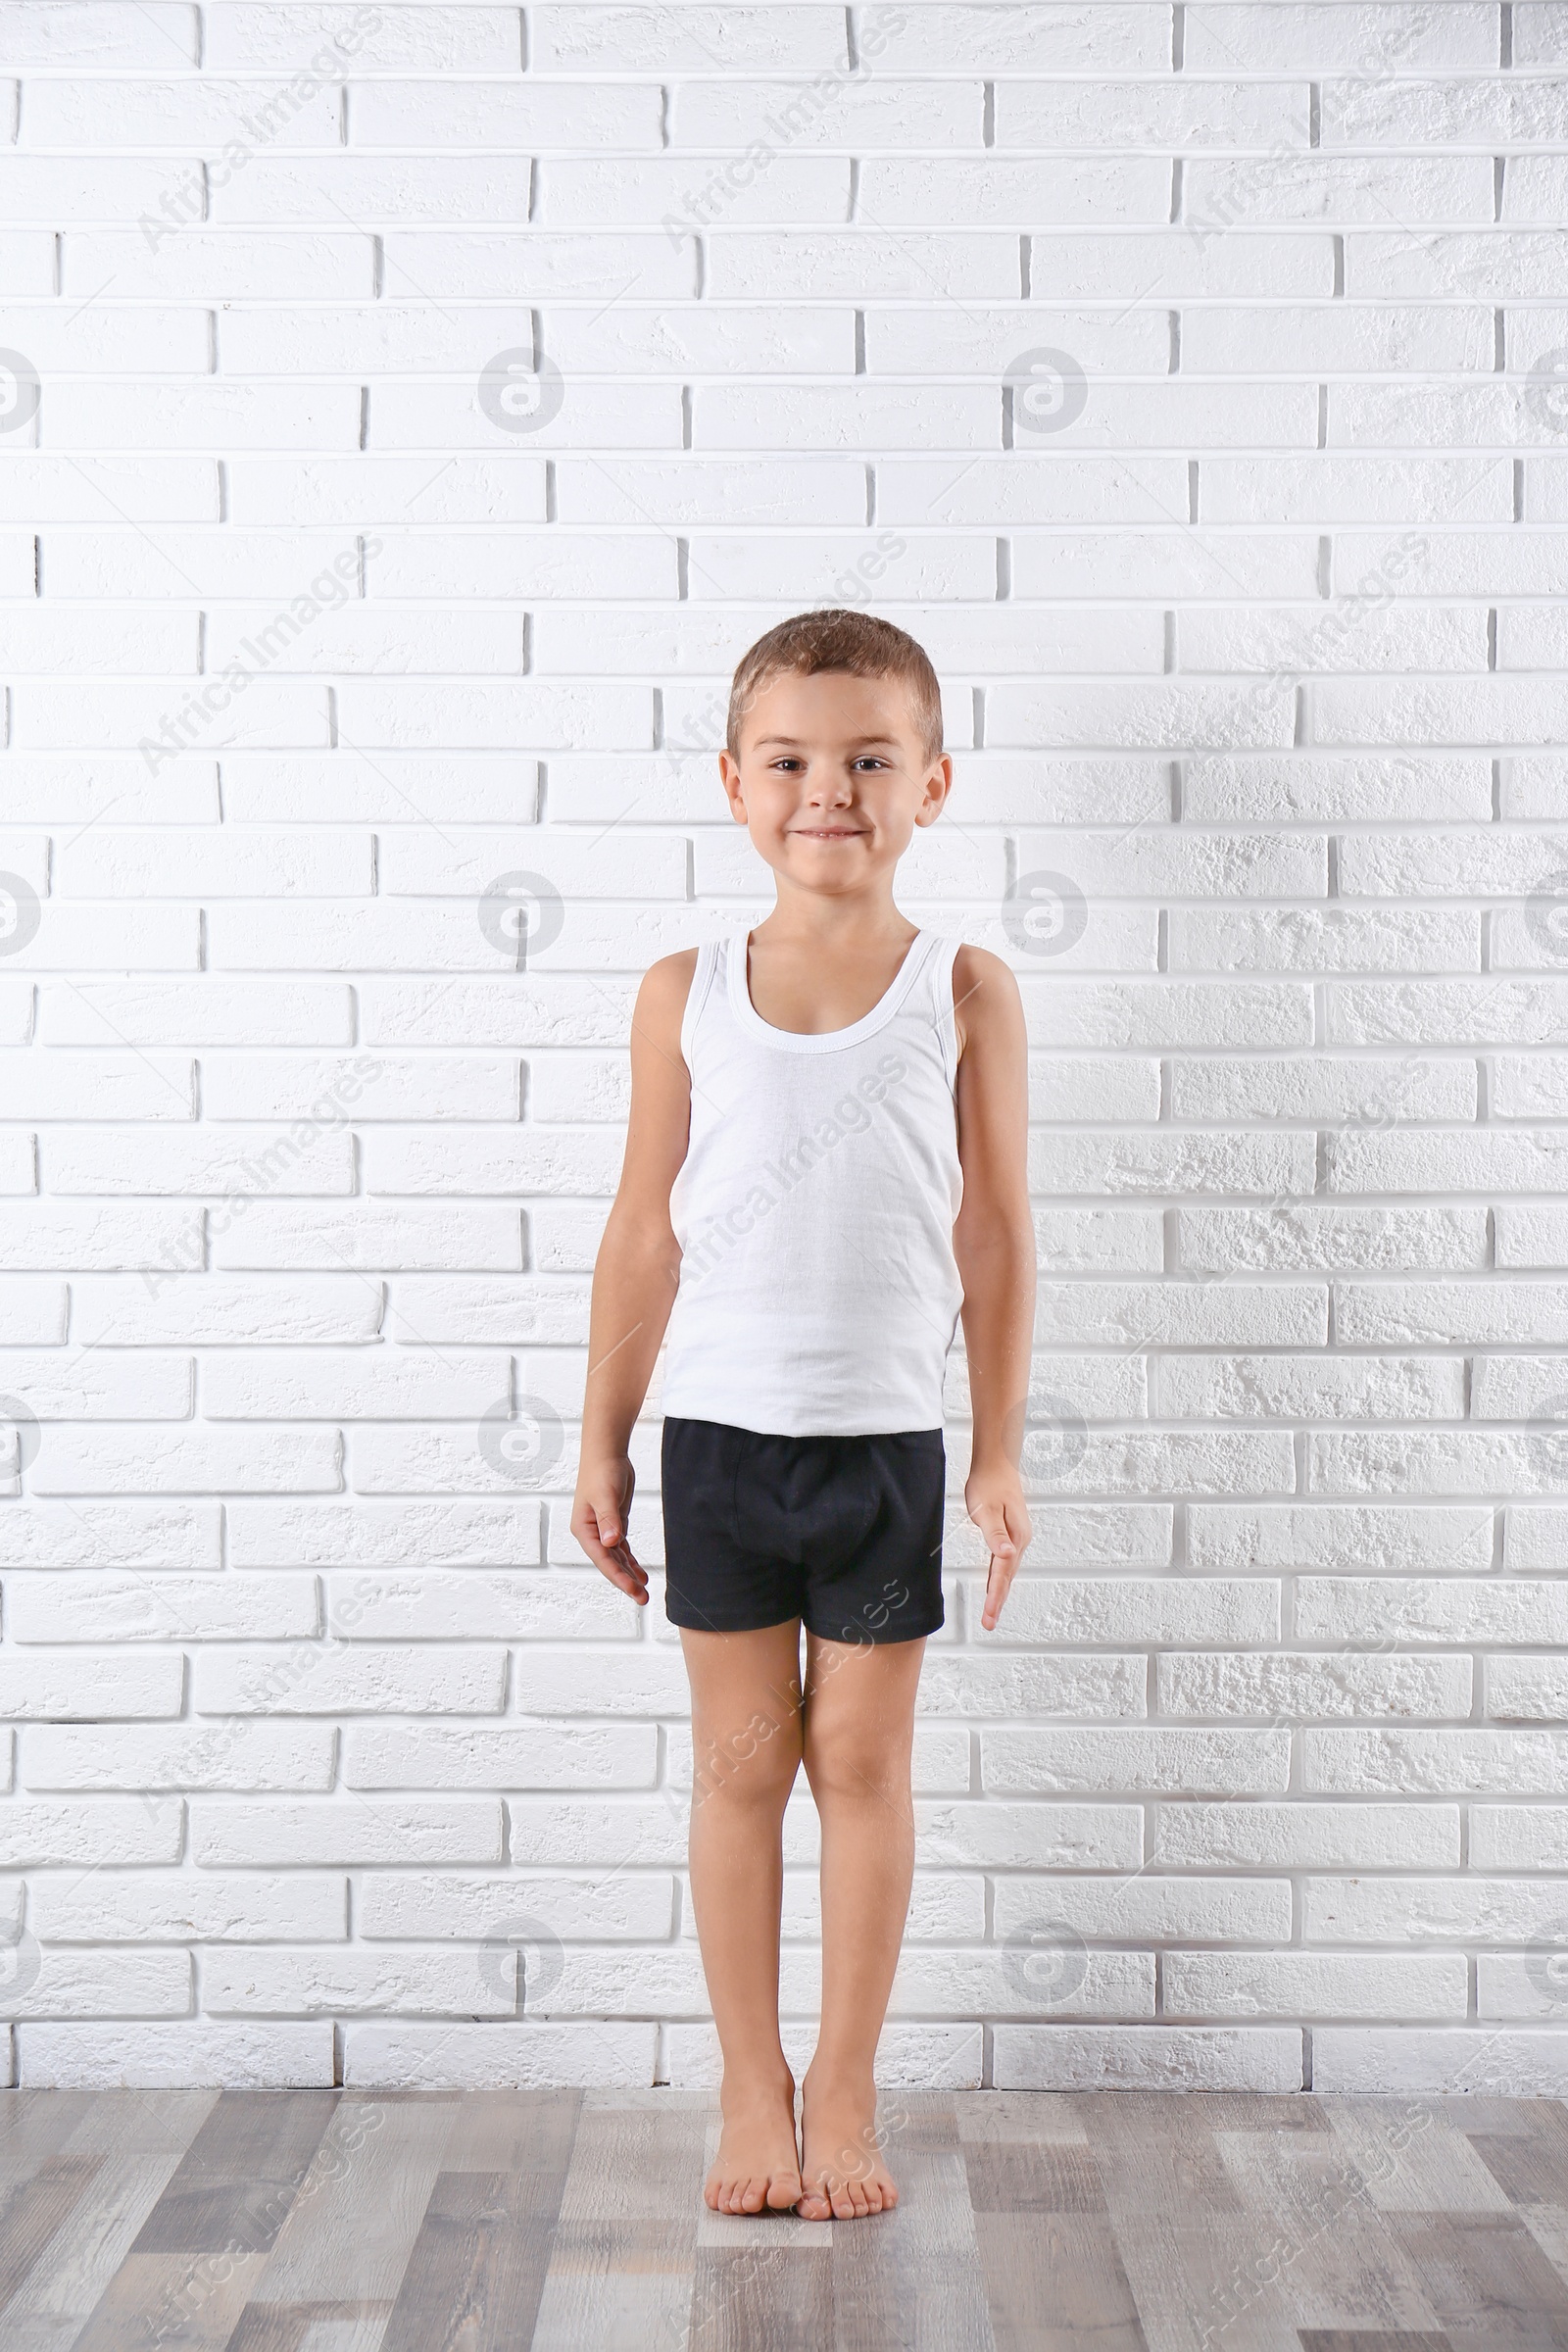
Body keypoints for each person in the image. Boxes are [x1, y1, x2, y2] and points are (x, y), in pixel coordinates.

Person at [570, 609, 1035, 2222]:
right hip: (716, 1443)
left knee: (859, 1760)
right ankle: (748, 2081)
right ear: (733, 780)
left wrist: (997, 1451)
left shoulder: (962, 988)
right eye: (790, 760)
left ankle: (844, 2080)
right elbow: (645, 1226)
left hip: (885, 1451)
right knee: (740, 1766)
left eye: (867, 759)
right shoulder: (683, 987)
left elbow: (994, 1233)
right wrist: (599, 1437)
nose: (827, 789)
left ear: (932, 783)